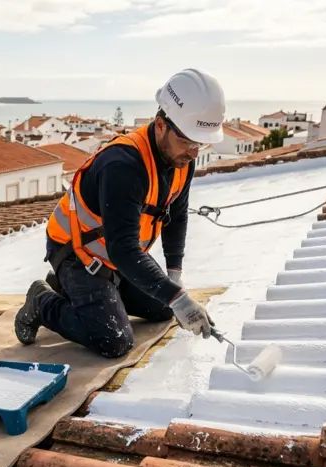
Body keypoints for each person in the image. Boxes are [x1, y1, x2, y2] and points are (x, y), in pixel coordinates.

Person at [14, 69, 226, 358]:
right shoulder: (122, 165)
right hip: (78, 253)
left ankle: (88, 296)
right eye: (188, 141)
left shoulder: (181, 161)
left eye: (200, 143)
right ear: (161, 125)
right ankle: (42, 301)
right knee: (114, 340)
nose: (193, 152)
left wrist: (174, 280)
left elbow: (175, 217)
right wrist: (179, 298)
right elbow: (123, 249)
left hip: (117, 254)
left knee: (165, 307)